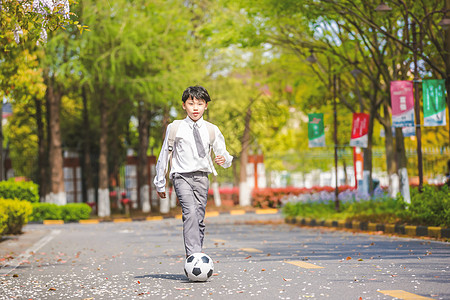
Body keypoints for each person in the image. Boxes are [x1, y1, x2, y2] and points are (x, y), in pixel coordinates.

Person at [153, 85, 233, 257]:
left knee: (199, 218)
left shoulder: (212, 129)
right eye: (191, 103)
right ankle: (193, 256)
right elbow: (164, 155)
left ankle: (197, 253)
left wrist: (224, 159)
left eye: (200, 103)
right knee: (189, 213)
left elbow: (224, 154)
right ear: (184, 105)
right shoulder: (175, 127)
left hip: (202, 177)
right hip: (181, 177)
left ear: (206, 106)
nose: (195, 108)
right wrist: (160, 183)